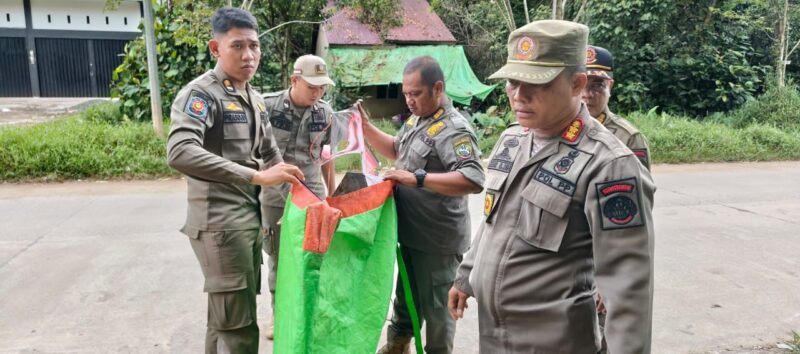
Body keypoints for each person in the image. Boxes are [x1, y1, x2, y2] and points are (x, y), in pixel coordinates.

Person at [447, 20, 656, 354]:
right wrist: (467, 275)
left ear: (577, 84)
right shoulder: (512, 140)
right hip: (496, 339)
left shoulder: (610, 164)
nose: (519, 95)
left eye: (536, 83)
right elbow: (493, 221)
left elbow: (628, 291)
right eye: (512, 82)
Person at [166, 8, 303, 353]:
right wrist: (255, 176)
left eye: (254, 46)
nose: (248, 55)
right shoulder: (201, 94)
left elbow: (270, 152)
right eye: (237, 46)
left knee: (225, 321)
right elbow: (180, 151)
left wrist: (301, 197)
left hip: (246, 221)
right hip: (220, 225)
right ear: (216, 48)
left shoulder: (253, 98)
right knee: (239, 329)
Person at [359, 56, 485, 354]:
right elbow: (395, 149)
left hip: (437, 241)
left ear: (437, 88)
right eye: (406, 94)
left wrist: (417, 179)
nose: (409, 101)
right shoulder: (418, 120)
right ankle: (398, 344)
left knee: (439, 311)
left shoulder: (454, 129)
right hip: (411, 234)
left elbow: (473, 178)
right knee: (406, 296)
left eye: (415, 94)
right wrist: (365, 127)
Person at [258, 54, 338, 340]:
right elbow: (254, 152)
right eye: (312, 87)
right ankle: (279, 314)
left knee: (314, 256)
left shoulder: (325, 113)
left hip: (312, 193)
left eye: (322, 87)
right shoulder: (267, 107)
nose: (318, 93)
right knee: (279, 258)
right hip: (275, 195)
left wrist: (331, 194)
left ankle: (309, 312)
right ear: (294, 80)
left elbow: (327, 156)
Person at [582, 45, 651, 170]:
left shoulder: (628, 138)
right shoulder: (553, 128)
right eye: (580, 85)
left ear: (610, 86)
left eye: (597, 85)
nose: (587, 94)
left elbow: (637, 181)